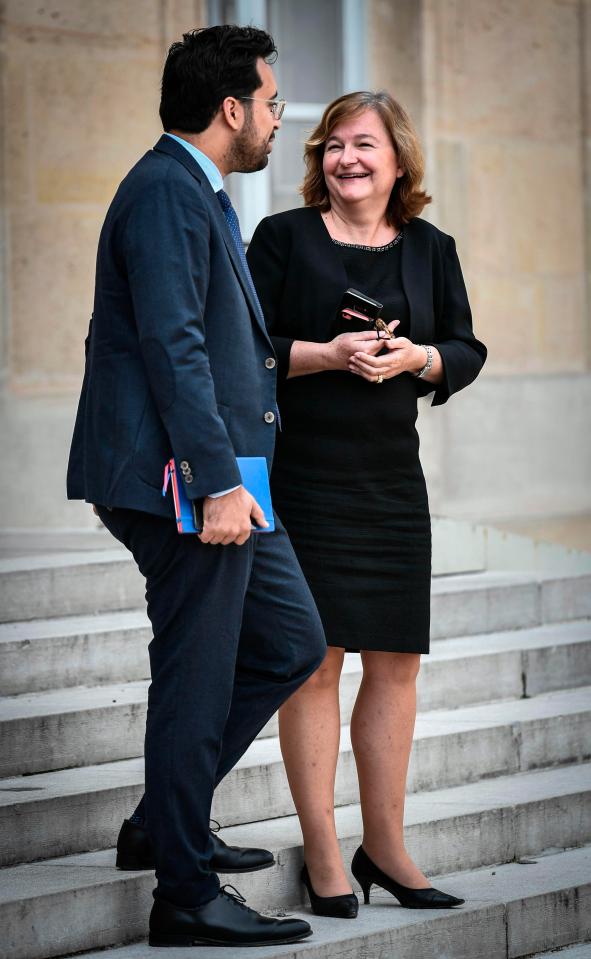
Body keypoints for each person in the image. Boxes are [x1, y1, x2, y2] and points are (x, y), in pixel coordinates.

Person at [67, 25, 326, 948]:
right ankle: (182, 889)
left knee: (290, 637)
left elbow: (215, 344)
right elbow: (174, 347)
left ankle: (160, 818)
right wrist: (217, 482)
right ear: (231, 108)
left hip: (226, 471)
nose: (274, 123)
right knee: (196, 673)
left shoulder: (192, 192)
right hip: (183, 477)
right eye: (271, 106)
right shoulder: (164, 194)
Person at [247, 90, 487, 918]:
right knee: (315, 662)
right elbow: (241, 344)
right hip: (302, 480)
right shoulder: (281, 239)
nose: (346, 159)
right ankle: (322, 851)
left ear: (396, 160)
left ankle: (384, 845)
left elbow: (464, 345)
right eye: (333, 145)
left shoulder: (430, 248)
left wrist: (416, 356)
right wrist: (327, 353)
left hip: (390, 483)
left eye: (363, 145)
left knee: (394, 663)